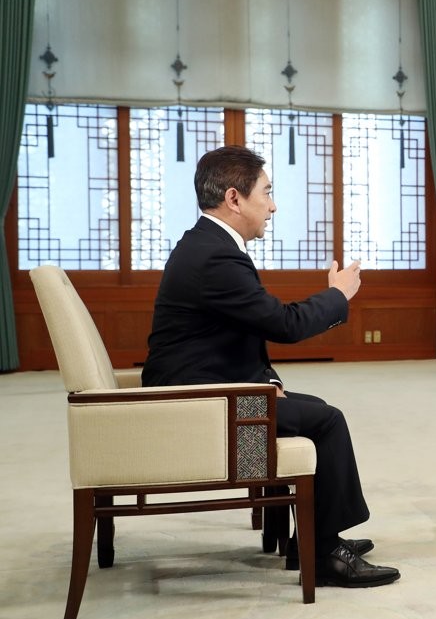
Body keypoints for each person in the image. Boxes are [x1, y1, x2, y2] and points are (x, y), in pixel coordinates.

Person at [142, 145, 399, 588]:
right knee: (327, 421)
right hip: (199, 403)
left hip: (209, 386)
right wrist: (338, 295)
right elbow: (283, 324)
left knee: (313, 407)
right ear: (234, 198)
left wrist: (267, 380)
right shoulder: (215, 256)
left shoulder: (207, 245)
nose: (273, 205)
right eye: (267, 192)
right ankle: (323, 554)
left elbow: (245, 332)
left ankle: (314, 538)